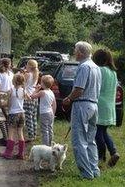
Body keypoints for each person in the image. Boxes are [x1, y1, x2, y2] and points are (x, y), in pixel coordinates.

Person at [62, 41, 101, 179]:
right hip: (94, 105)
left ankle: (86, 173)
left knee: (79, 141)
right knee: (91, 140)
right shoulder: (96, 67)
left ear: (80, 52)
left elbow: (79, 89)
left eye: (75, 50)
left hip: (82, 105)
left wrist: (68, 99)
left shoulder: (84, 67)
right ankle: (94, 171)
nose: (74, 53)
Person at [92, 49, 120, 167]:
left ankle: (101, 157)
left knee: (97, 132)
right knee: (103, 131)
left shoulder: (100, 70)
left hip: (100, 105)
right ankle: (114, 152)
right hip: (109, 106)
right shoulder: (113, 72)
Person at [0, 73, 28, 159]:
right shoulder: (23, 91)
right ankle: (21, 154)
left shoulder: (11, 90)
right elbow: (28, 98)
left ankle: (8, 153)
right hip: (22, 114)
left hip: (13, 114)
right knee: (20, 133)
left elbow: (8, 104)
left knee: (10, 133)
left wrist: (1, 104)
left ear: (13, 81)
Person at [30, 75, 56, 146]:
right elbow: (54, 104)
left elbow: (32, 96)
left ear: (43, 84)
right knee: (50, 129)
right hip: (50, 112)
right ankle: (51, 144)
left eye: (41, 82)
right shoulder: (51, 92)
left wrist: (36, 89)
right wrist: (53, 114)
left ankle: (45, 146)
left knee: (44, 130)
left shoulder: (42, 92)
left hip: (44, 113)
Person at [23, 59, 39, 142]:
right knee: (33, 116)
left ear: (29, 66)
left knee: (28, 117)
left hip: (27, 96)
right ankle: (34, 134)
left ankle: (30, 136)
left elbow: (23, 85)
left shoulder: (27, 74)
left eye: (27, 64)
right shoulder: (36, 73)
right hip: (34, 96)